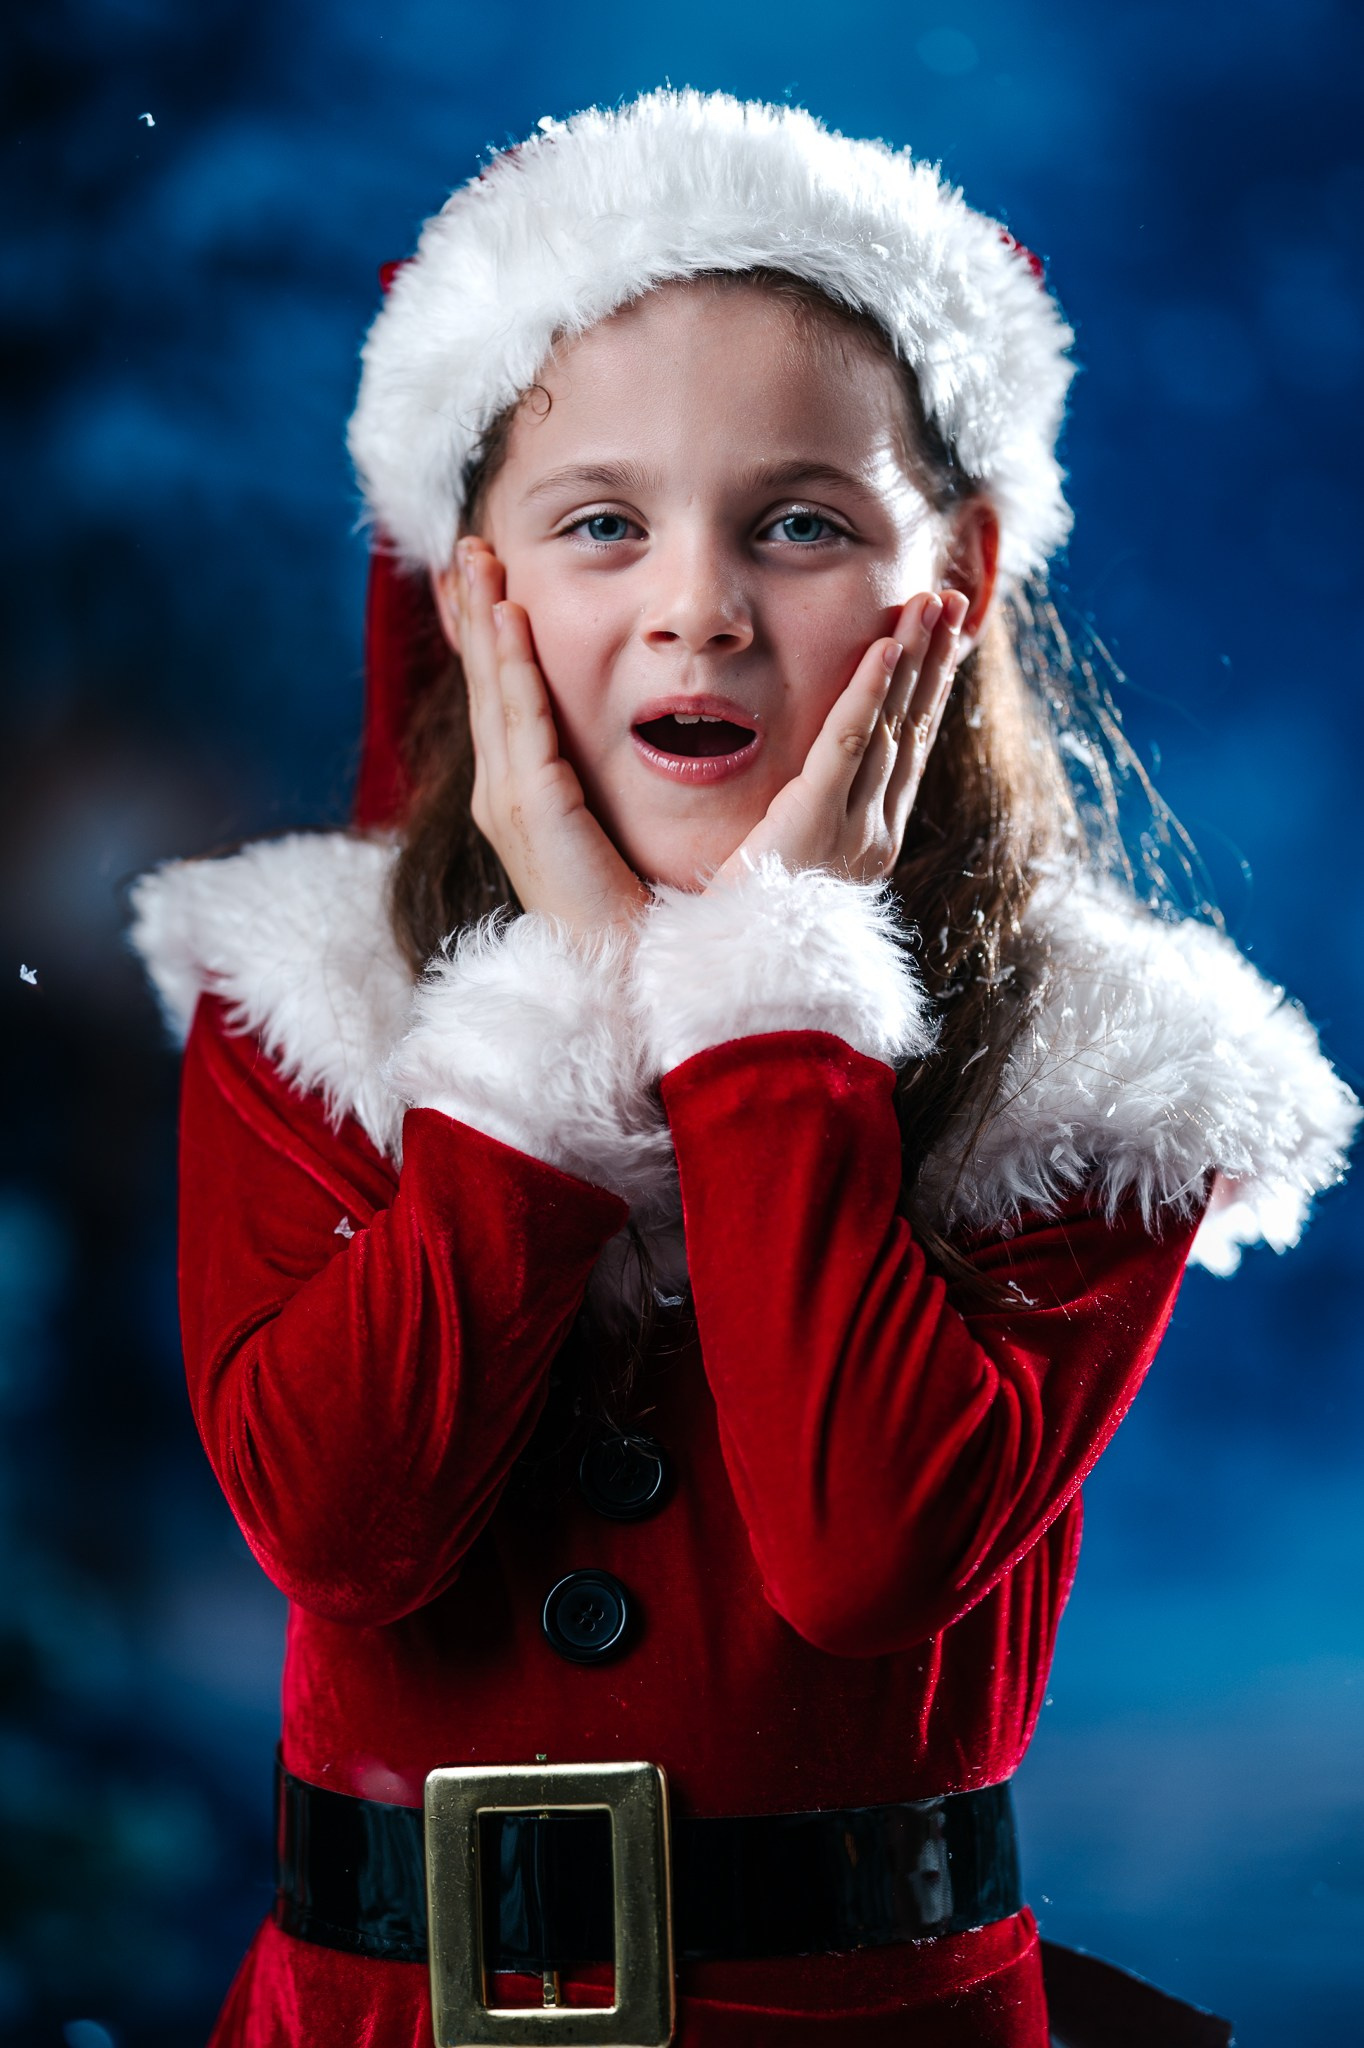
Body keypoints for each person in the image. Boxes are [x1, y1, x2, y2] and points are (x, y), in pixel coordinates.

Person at [128, 88, 1357, 2048]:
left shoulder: (1098, 1086)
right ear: (475, 586)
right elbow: (345, 1525)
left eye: (797, 522)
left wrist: (768, 1006)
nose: (696, 602)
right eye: (600, 521)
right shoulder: (305, 1009)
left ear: (943, 584)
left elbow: (867, 1552)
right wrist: (564, 1015)